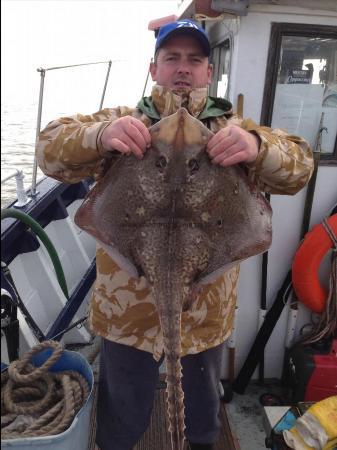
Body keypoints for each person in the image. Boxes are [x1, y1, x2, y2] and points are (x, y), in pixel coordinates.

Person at [36, 19, 313, 450]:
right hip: (127, 313)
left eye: (194, 59)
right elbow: (49, 147)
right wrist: (99, 136)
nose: (183, 68)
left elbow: (300, 166)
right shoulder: (123, 122)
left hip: (204, 310)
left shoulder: (235, 130)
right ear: (154, 69)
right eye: (172, 58)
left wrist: (258, 147)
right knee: (122, 418)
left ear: (208, 72)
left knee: (203, 419)